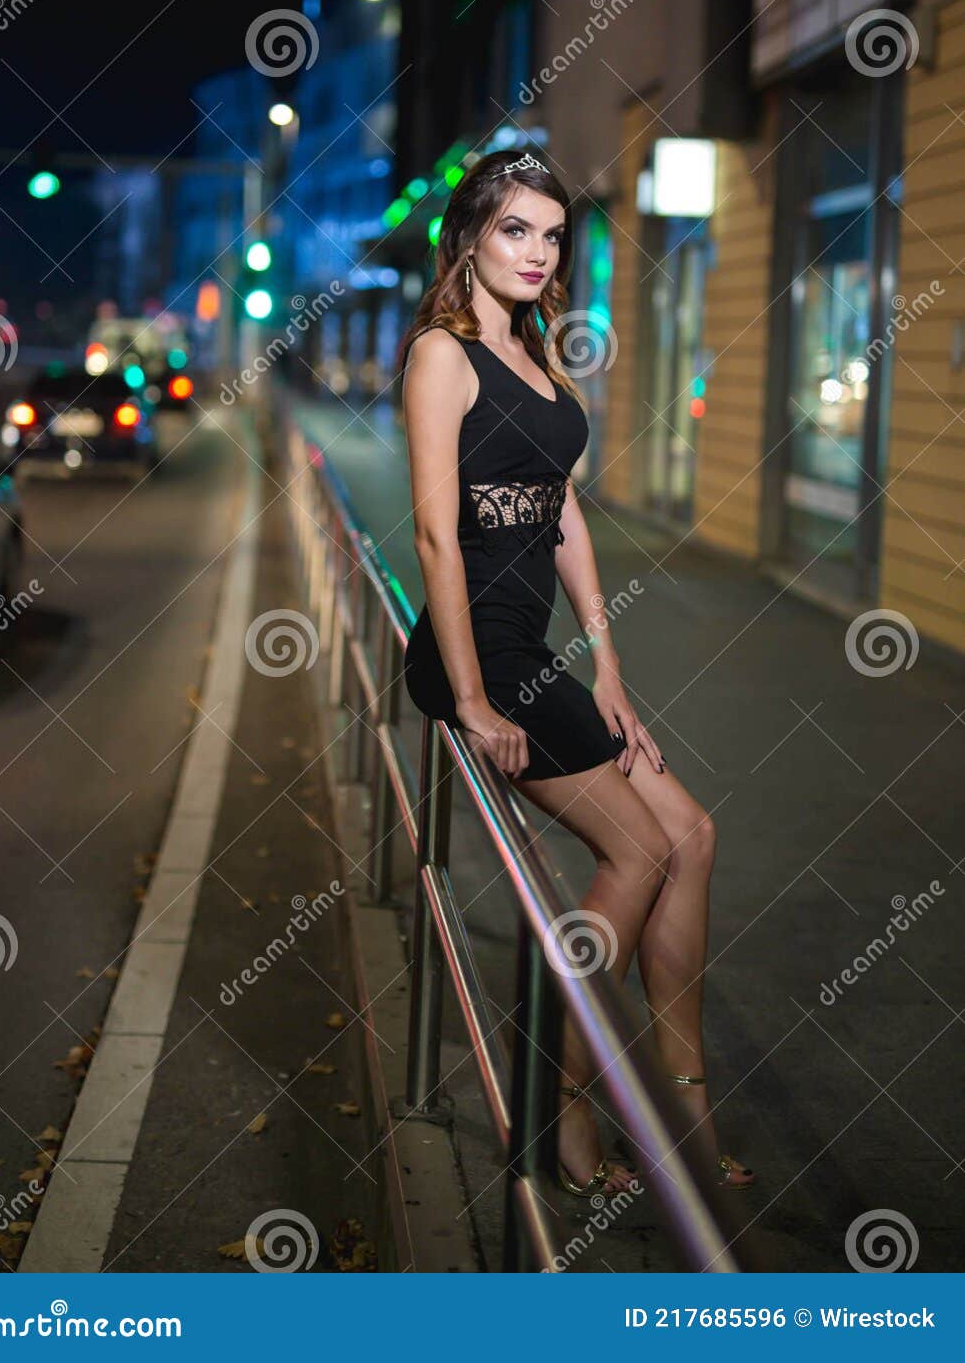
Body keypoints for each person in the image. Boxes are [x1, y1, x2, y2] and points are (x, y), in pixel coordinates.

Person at [399, 150, 753, 1197]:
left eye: (551, 234)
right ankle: (568, 1104)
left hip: (535, 652)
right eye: (516, 229)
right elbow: (432, 531)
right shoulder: (442, 354)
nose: (537, 251)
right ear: (469, 234)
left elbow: (559, 515)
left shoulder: (534, 351)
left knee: (691, 834)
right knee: (637, 853)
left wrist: (606, 666)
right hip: (479, 657)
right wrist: (466, 695)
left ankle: (679, 1099)